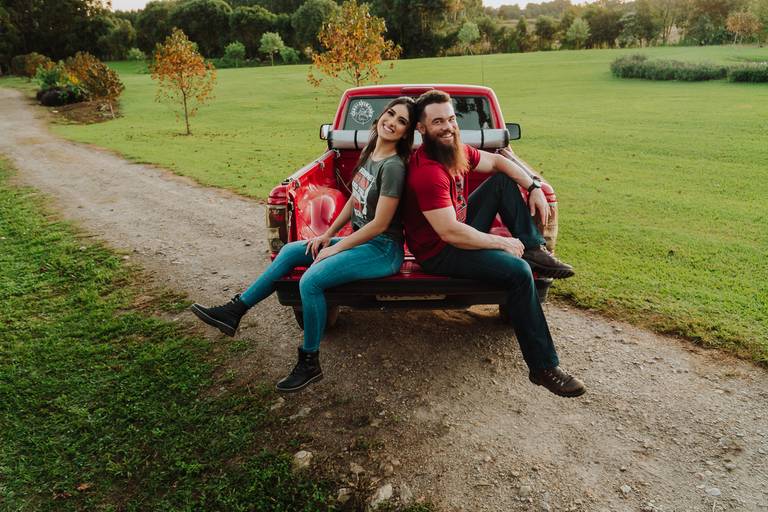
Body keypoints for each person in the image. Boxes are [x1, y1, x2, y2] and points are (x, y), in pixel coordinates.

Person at [191, 97, 416, 392]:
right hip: (362, 242)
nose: (393, 122)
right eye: (391, 114)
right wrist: (328, 235)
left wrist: (337, 247)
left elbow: (380, 224)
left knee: (310, 281)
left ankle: (309, 362)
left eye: (402, 121)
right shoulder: (370, 152)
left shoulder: (394, 167)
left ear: (406, 132)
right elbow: (355, 198)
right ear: (381, 116)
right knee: (290, 251)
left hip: (383, 249)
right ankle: (235, 311)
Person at [402, 90, 585, 397]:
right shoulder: (427, 173)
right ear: (421, 128)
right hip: (440, 251)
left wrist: (533, 185)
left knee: (501, 182)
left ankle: (535, 250)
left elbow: (499, 162)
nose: (448, 127)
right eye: (438, 122)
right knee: (518, 272)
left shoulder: (454, 150)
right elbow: (450, 233)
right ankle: (543, 368)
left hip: (459, 230)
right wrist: (501, 244)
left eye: (451, 119)